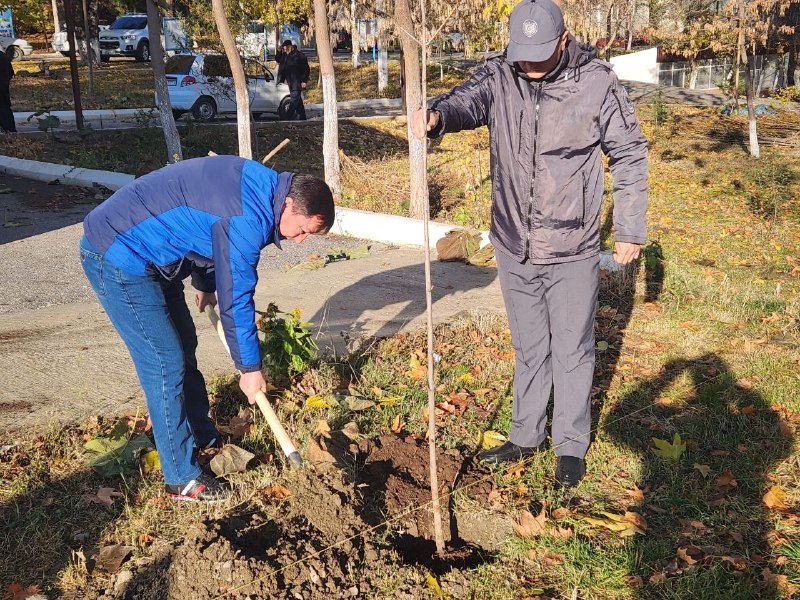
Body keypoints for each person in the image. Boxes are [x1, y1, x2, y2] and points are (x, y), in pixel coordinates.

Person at [411, 0, 648, 487]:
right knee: (529, 344)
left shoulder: (598, 82)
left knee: (573, 346)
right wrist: (436, 116)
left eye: (540, 53)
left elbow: (628, 153)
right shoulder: (502, 73)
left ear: (564, 40)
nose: (531, 65)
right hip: (513, 239)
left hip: (572, 243)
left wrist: (628, 228)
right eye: (523, 54)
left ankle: (571, 443)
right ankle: (525, 434)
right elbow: (466, 102)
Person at [80, 156, 335, 502]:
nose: (301, 240)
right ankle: (181, 478)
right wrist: (250, 368)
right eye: (303, 230)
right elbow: (237, 299)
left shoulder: (265, 186)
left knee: (184, 346)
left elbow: (207, 226)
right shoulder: (250, 218)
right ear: (289, 204)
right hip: (119, 253)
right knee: (165, 362)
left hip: (158, 255)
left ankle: (201, 437)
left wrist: (204, 281)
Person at [276, 40, 309, 120]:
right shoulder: (284, 55)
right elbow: (278, 59)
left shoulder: (300, 56)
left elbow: (306, 69)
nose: (285, 50)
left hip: (298, 82)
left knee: (293, 102)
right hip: (290, 82)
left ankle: (286, 120)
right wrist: (279, 51)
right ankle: (303, 118)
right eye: (284, 48)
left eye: (286, 48)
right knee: (298, 102)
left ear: (291, 47)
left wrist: (304, 81)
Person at [0, 50, 16, 133]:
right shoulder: (4, 56)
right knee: (4, 107)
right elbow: (11, 73)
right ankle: (9, 129)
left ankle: (8, 129)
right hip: (3, 85)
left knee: (3, 108)